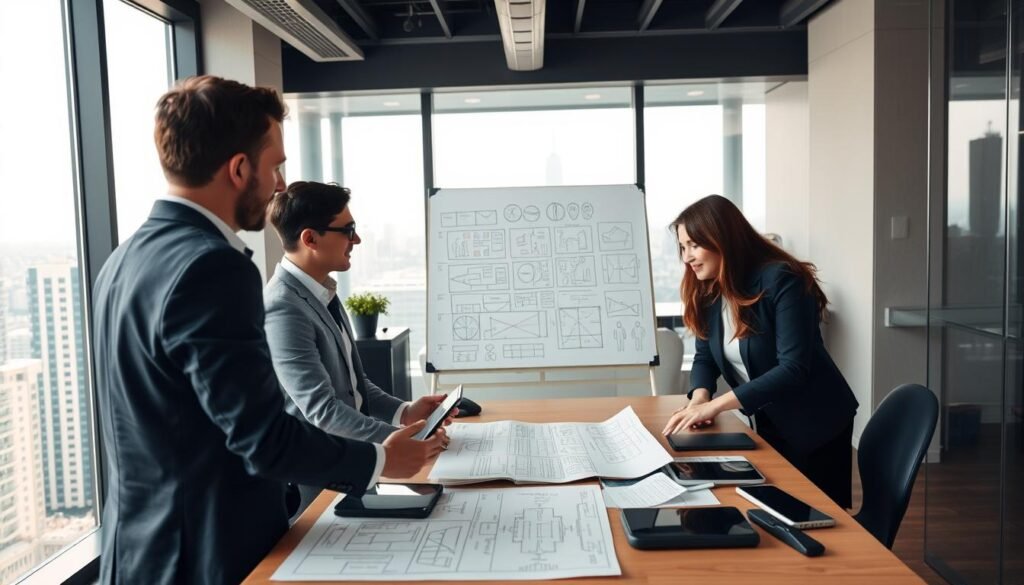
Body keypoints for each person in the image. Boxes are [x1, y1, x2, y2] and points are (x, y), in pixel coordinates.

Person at [91, 76, 446, 585]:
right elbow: (263, 436)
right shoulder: (212, 266)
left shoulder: (125, 259)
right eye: (275, 164)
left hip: (141, 553)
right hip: (208, 557)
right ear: (239, 169)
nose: (280, 184)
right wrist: (381, 460)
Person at [263, 181, 456, 511]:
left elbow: (354, 385)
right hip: (319, 489)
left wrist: (405, 412)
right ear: (310, 238)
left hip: (353, 475)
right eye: (347, 230)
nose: (357, 240)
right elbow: (323, 411)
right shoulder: (283, 307)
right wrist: (402, 443)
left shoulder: (323, 292)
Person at [661, 194, 858, 508]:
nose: (687, 257)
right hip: (769, 421)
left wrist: (715, 407)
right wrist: (700, 398)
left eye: (694, 245)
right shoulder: (711, 290)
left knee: (818, 517)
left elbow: (793, 368)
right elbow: (705, 356)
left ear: (721, 238)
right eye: (683, 247)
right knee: (775, 507)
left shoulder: (783, 280)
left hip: (815, 421)